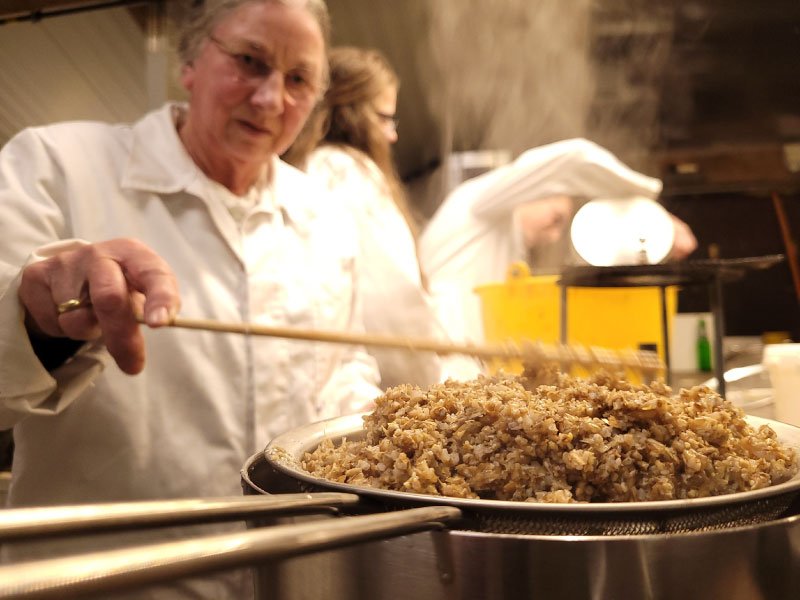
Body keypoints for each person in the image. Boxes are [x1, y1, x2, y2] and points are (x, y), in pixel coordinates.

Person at [0, 0, 382, 597]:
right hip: (105, 583)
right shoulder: (58, 166)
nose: (270, 99)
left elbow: (343, 371)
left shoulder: (325, 216)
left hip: (293, 578)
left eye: (298, 79)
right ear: (190, 61)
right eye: (251, 62)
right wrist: (37, 323)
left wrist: (398, 432)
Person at [285, 46, 481, 388]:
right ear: (350, 112)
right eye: (384, 117)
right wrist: (430, 384)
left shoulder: (311, 170)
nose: (393, 134)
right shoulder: (345, 173)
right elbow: (390, 297)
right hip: (373, 386)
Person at [418, 138, 698, 343]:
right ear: (536, 192)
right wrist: (650, 211)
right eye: (556, 218)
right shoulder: (478, 202)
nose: (554, 235)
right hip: (442, 347)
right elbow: (574, 159)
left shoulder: (506, 243)